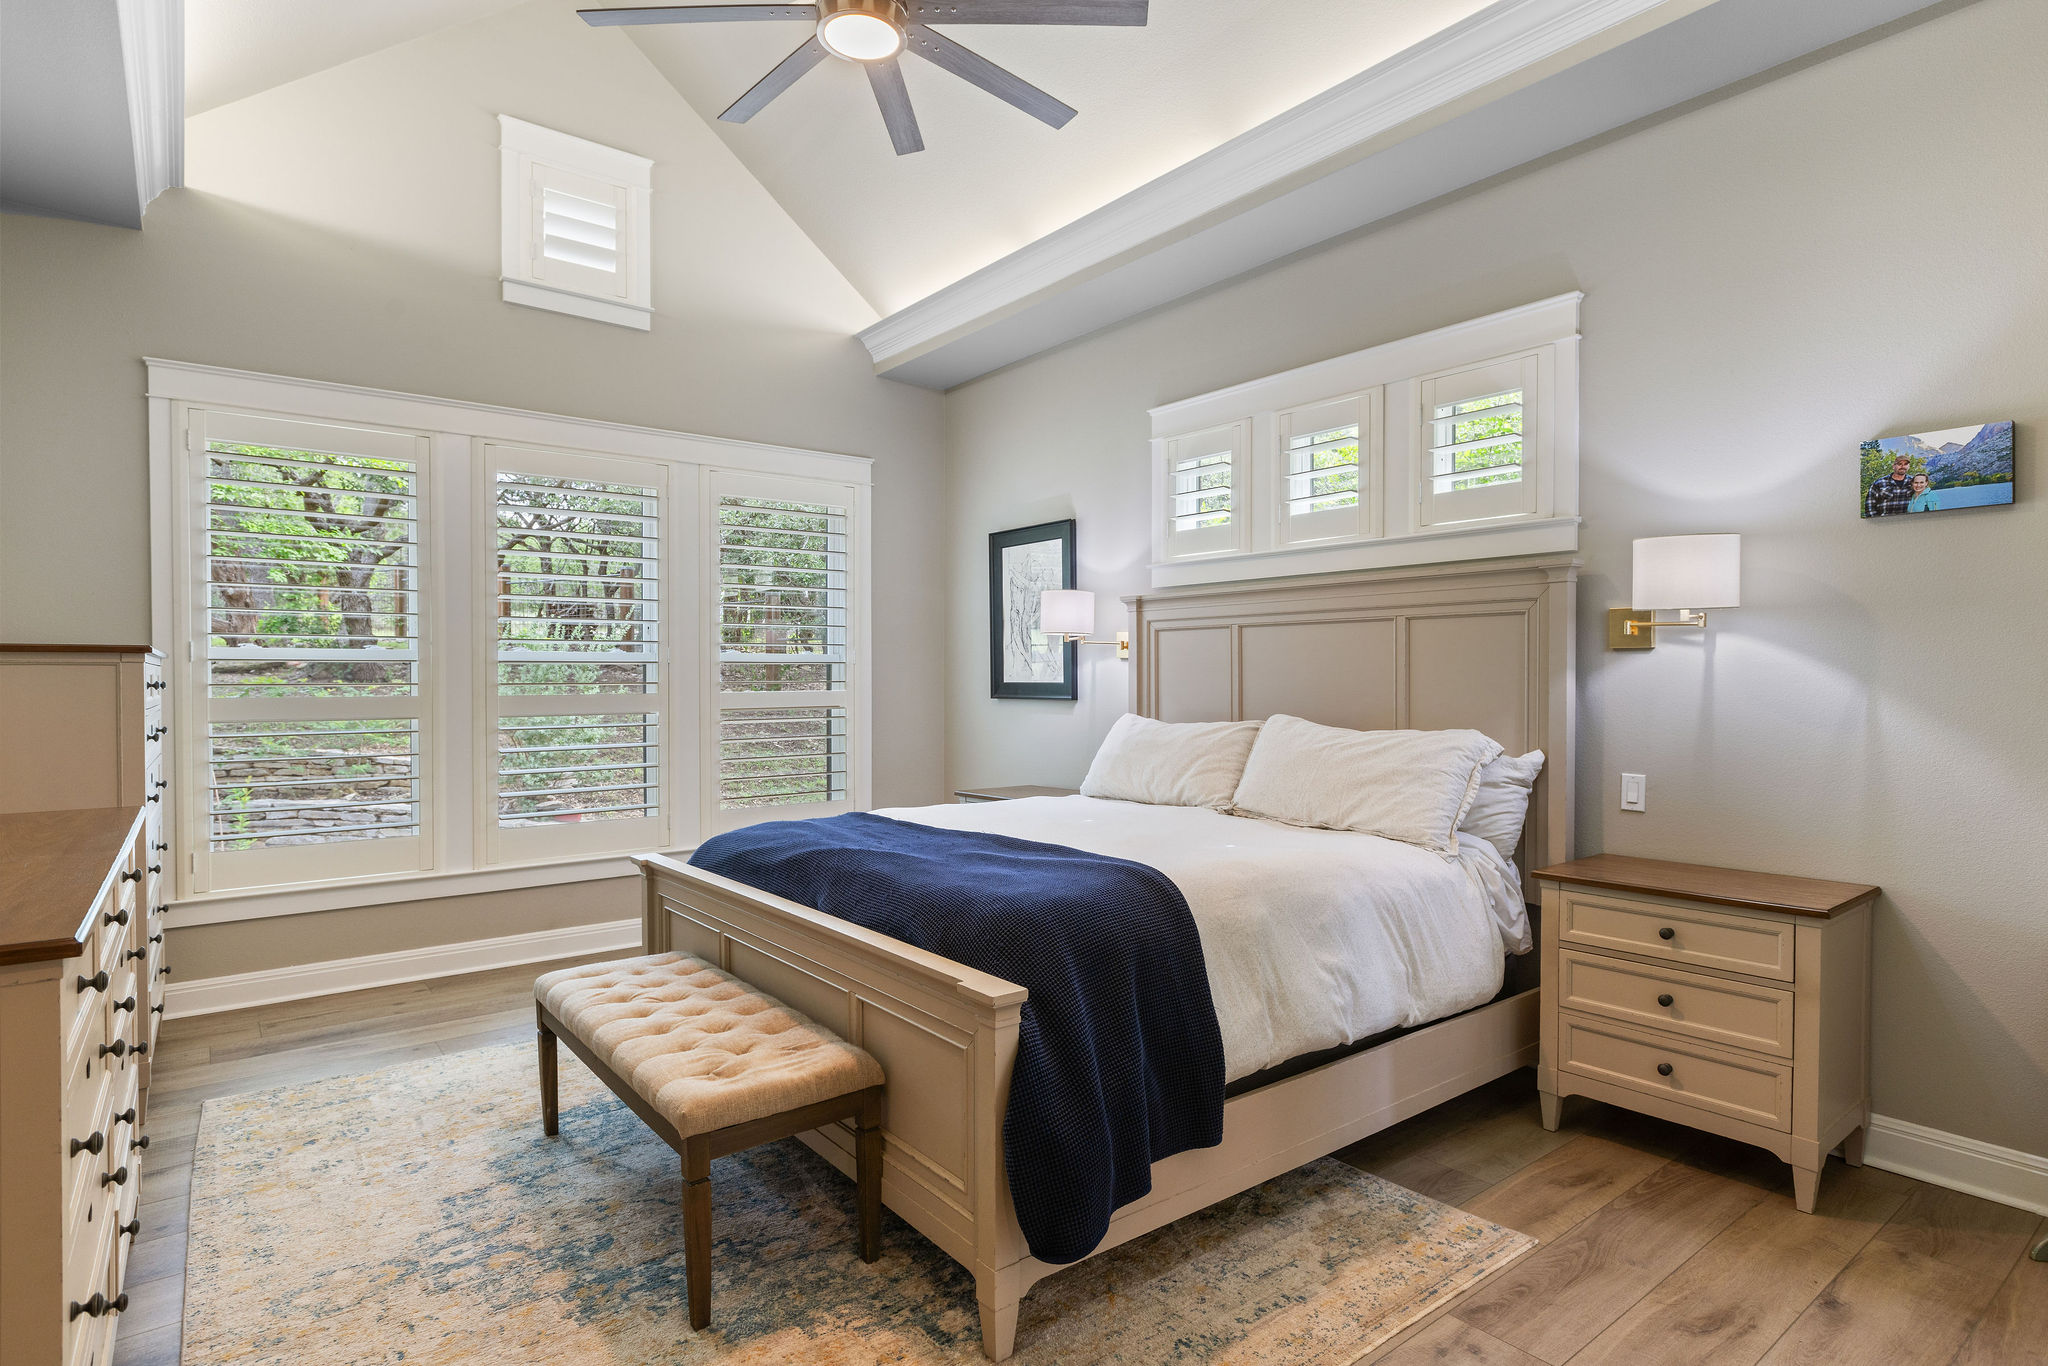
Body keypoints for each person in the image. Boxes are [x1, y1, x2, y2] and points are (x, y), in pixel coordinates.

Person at [1865, 453, 1915, 517]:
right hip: (1884, 520)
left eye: (1905, 464)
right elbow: (1869, 505)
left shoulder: (1914, 482)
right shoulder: (1880, 483)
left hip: (1908, 520)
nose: (1903, 466)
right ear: (1893, 466)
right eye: (1899, 464)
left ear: (1909, 467)